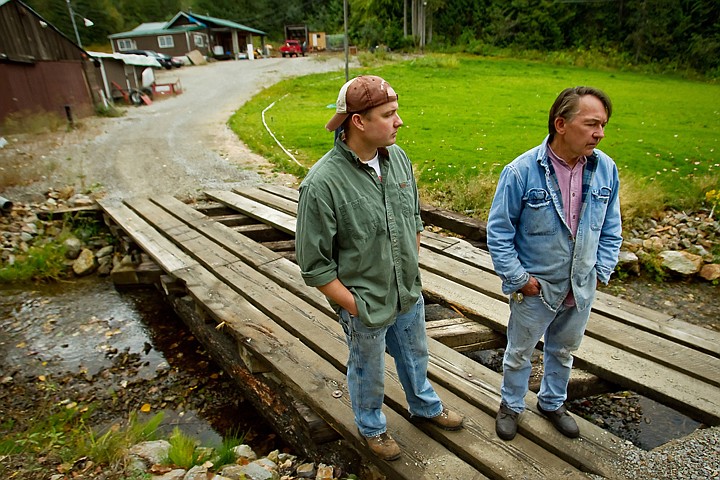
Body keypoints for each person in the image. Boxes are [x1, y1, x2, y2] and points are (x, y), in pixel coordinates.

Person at [295, 75, 464, 461]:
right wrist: (354, 305)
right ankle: (372, 427)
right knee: (367, 369)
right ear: (358, 122)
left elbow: (413, 220)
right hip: (365, 303)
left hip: (407, 291)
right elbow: (313, 265)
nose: (399, 121)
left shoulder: (398, 158)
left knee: (415, 354)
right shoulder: (321, 184)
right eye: (389, 115)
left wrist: (411, 272)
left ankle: (424, 406)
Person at [487, 86, 623, 441]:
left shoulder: (606, 169)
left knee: (563, 351)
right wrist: (519, 280)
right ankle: (511, 406)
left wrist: (600, 270)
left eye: (604, 125)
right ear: (561, 124)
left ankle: (552, 403)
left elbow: (612, 226)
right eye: (592, 123)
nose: (600, 133)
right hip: (535, 288)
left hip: (580, 287)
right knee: (519, 353)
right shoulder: (521, 172)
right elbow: (499, 232)